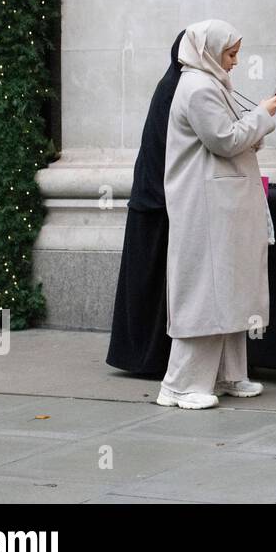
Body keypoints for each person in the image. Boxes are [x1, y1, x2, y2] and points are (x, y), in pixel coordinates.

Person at [157, 19, 276, 409]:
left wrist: (256, 122)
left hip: (218, 205)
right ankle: (179, 385)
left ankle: (227, 375)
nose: (235, 62)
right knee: (204, 291)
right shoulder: (197, 88)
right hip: (205, 207)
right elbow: (225, 140)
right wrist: (261, 115)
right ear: (209, 52)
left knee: (227, 287)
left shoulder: (209, 85)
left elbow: (229, 137)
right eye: (230, 53)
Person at [106, 29, 186, 376]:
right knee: (154, 286)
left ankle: (139, 355)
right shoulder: (180, 90)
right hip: (160, 202)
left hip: (152, 198)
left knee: (147, 285)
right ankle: (149, 358)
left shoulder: (170, 84)